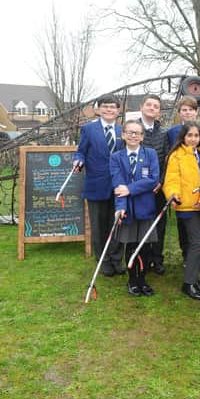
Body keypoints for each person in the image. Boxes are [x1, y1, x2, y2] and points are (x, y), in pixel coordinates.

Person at [163, 122, 200, 301]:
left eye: (196, 136)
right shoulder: (176, 156)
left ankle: (195, 280)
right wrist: (173, 194)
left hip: (199, 207)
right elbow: (171, 180)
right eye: (190, 135)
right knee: (195, 244)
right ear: (183, 137)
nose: (193, 139)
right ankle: (188, 283)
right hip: (185, 206)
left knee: (199, 243)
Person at [73, 94, 124, 277]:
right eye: (105, 106)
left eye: (113, 107)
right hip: (96, 185)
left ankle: (117, 259)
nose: (109, 110)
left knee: (118, 223)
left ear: (118, 111)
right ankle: (103, 261)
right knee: (99, 226)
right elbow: (81, 152)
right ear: (98, 109)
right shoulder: (88, 129)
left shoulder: (122, 131)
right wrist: (78, 161)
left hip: (119, 186)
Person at [111, 120, 160, 296]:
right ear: (123, 135)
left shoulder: (150, 154)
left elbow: (153, 179)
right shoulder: (116, 157)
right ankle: (132, 280)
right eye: (130, 132)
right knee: (131, 245)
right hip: (128, 210)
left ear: (142, 136)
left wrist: (130, 189)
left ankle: (143, 279)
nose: (133, 136)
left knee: (145, 246)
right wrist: (120, 207)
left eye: (137, 133)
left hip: (145, 208)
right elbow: (118, 186)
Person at [166, 96, 200, 265]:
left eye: (190, 110)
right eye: (184, 110)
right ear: (179, 113)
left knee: (198, 227)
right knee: (183, 226)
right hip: (181, 187)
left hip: (199, 187)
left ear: (196, 112)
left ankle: (195, 256)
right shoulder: (172, 132)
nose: (187, 113)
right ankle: (187, 253)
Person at [138, 94, 169, 275]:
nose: (152, 108)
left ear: (158, 111)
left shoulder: (163, 133)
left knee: (159, 224)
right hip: (139, 187)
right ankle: (143, 258)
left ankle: (157, 259)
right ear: (142, 107)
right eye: (149, 105)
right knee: (142, 224)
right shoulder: (133, 129)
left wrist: (161, 181)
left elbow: (167, 159)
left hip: (158, 188)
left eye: (155, 106)